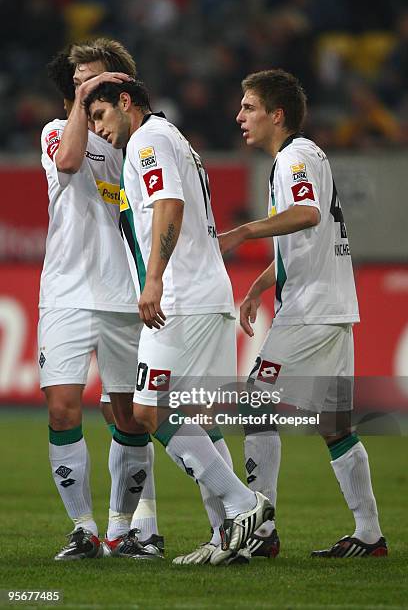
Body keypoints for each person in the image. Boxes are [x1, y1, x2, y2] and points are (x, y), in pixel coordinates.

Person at [84, 78, 274, 565]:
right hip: (206, 293)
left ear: (126, 103)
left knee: (149, 413)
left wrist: (153, 281)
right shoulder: (174, 139)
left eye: (101, 115)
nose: (98, 129)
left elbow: (169, 205)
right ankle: (228, 536)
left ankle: (244, 505)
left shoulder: (147, 140)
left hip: (180, 298)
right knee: (202, 424)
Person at [219, 69, 387, 558]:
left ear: (277, 115)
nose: (240, 116)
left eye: (249, 107)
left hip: (310, 311)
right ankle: (370, 534)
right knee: (335, 424)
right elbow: (307, 242)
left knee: (254, 401)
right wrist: (257, 285)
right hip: (333, 306)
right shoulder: (310, 153)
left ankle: (260, 527)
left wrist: (243, 232)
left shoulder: (292, 157)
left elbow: (308, 214)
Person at [40, 43, 161, 561]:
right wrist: (80, 102)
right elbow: (68, 161)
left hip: (121, 294)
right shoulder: (56, 132)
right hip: (65, 291)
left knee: (129, 417)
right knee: (64, 408)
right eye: (78, 82)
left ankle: (121, 530)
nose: (86, 90)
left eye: (96, 82)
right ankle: (83, 530)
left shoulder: (137, 143)